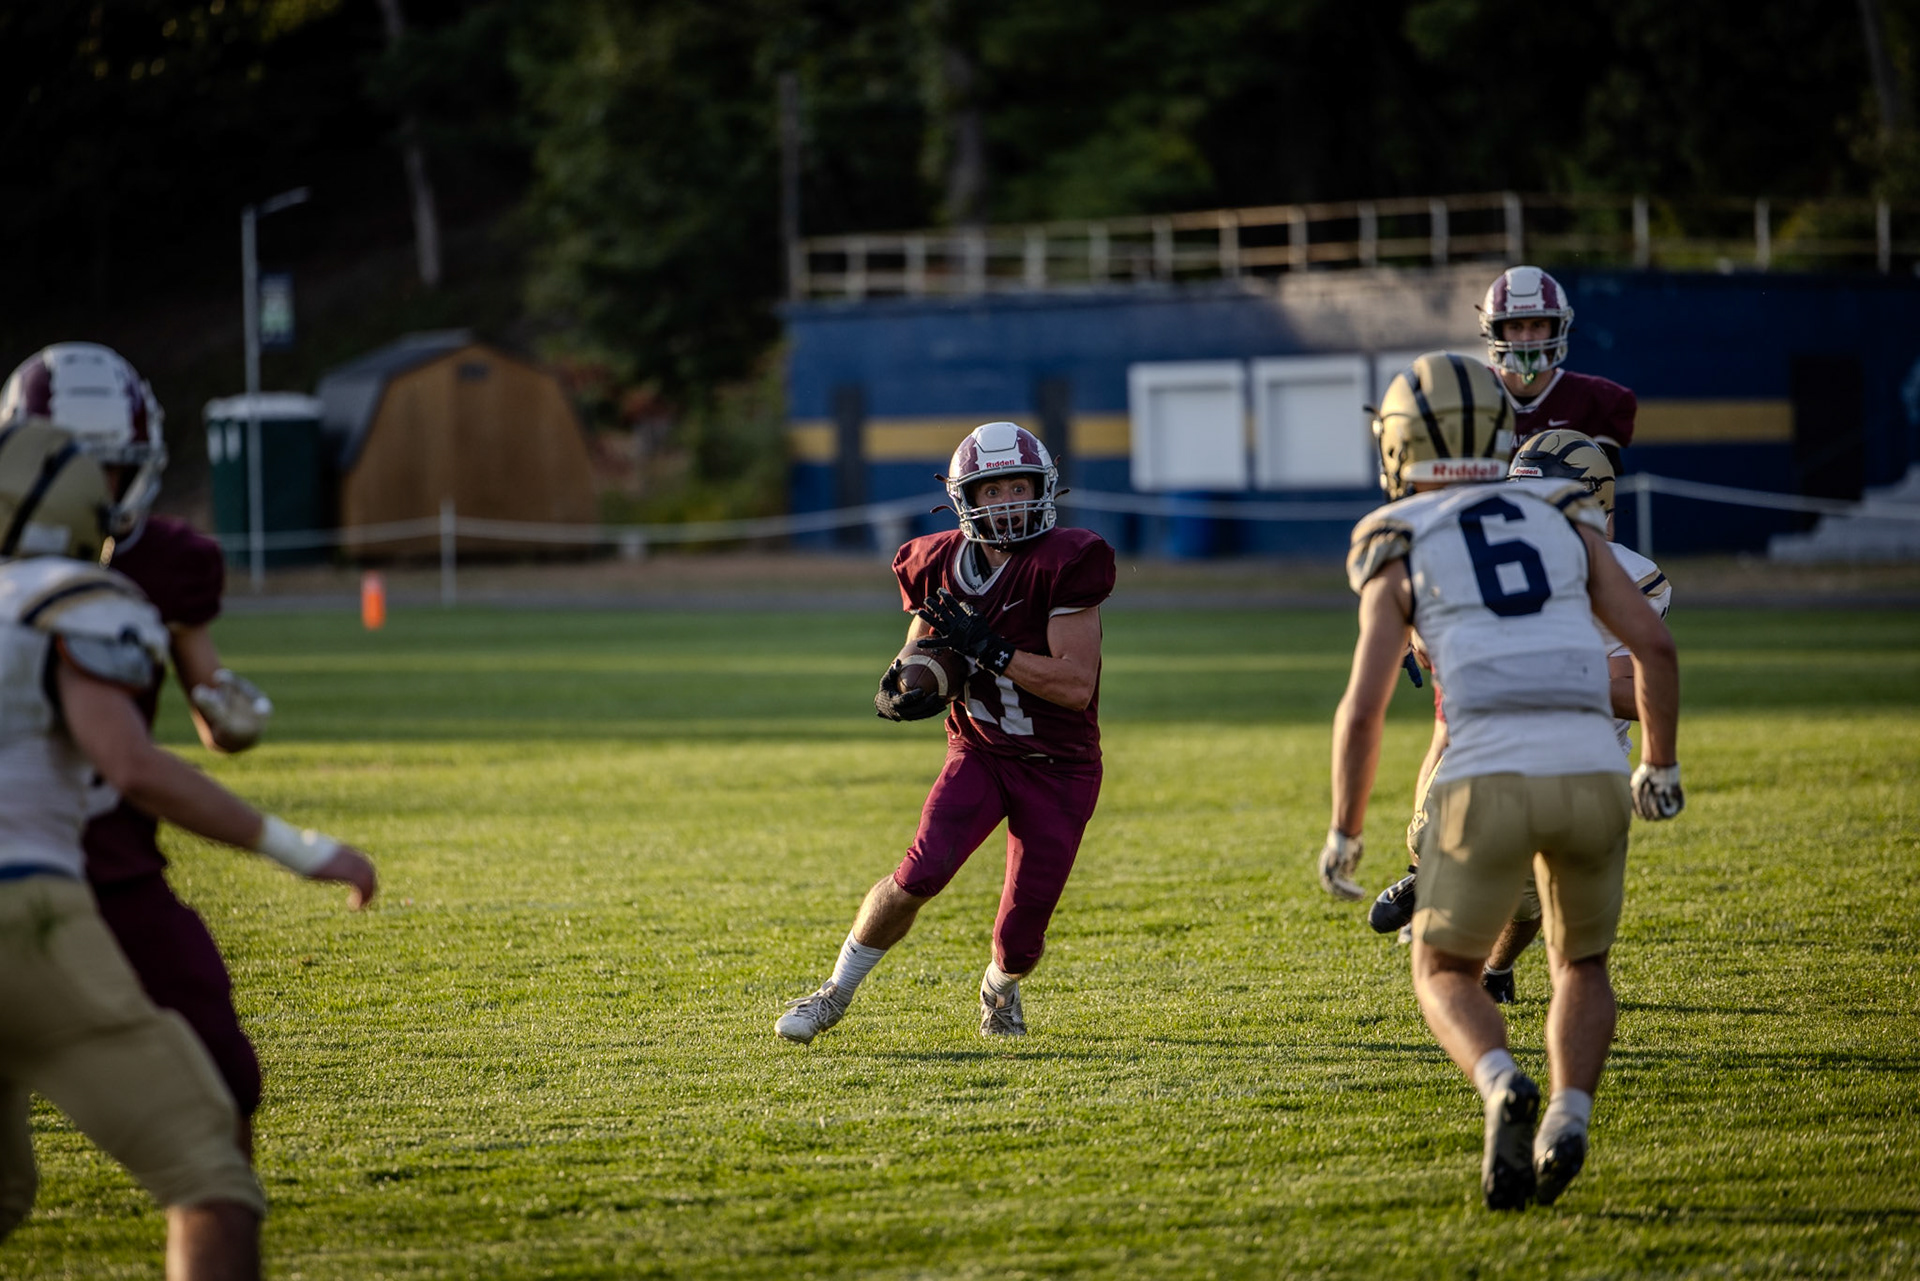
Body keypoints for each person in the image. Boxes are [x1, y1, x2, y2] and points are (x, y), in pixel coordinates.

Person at [0, 420, 375, 1277]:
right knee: (210, 1175)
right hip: (27, 909)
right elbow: (131, 763)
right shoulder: (77, 600)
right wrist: (301, 847)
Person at [1317, 353, 1684, 1209]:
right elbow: (1656, 650)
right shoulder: (1561, 512)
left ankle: (1498, 1081)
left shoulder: (1395, 535)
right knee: (1582, 961)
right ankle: (1570, 1112)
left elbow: (1363, 708)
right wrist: (1658, 764)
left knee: (1443, 969)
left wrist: (1343, 828)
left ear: (1399, 444)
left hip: (1482, 772)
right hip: (1593, 769)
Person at [1, 343, 276, 1147]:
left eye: (107, 467)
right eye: (68, 464)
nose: (90, 487)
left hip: (110, 853)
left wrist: (230, 712)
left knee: (223, 1079)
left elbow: (207, 696)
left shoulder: (169, 562)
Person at [775, 421, 1114, 1043]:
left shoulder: (1070, 560)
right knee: (919, 872)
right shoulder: (932, 561)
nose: (1009, 502)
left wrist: (993, 652)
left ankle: (999, 986)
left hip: (1059, 766)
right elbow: (922, 648)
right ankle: (835, 991)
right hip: (980, 749)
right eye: (994, 490)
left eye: (1020, 486)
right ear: (968, 499)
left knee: (1022, 935)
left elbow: (1075, 686)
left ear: (1044, 488)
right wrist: (910, 681)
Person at [1366, 430, 1674, 1006]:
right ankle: (1427, 872)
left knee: (1534, 903)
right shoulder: (1489, 547)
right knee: (1435, 830)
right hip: (1493, 736)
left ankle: (1497, 970)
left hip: (1583, 755)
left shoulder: (1631, 576)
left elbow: (1639, 692)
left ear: (1592, 502)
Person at [1479, 265, 1637, 472]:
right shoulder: (1474, 392)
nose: (1527, 338)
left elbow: (1602, 489)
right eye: (1515, 326)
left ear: (1556, 328)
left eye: (1537, 325)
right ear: (1497, 332)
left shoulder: (1594, 400)